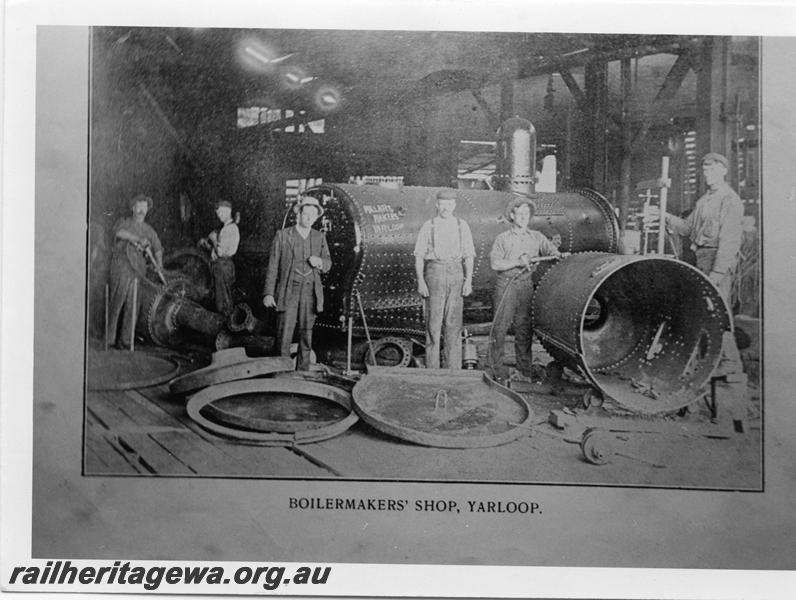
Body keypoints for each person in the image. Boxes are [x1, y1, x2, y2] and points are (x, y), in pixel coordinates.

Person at [488, 197, 560, 383]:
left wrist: (558, 255)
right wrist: (517, 262)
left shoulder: (536, 237)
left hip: (526, 286)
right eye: (519, 214)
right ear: (512, 216)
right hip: (506, 285)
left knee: (524, 329)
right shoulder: (502, 238)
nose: (523, 217)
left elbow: (552, 252)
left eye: (526, 214)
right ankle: (496, 370)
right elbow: (496, 263)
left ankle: (524, 370)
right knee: (500, 329)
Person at [661, 152, 744, 305]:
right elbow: (687, 228)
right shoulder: (704, 200)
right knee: (704, 308)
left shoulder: (729, 199)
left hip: (717, 262)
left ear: (724, 171)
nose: (707, 175)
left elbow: (729, 241)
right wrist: (665, 216)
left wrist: (718, 272)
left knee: (717, 309)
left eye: (712, 170)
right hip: (702, 260)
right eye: (705, 171)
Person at [262, 196, 331, 371]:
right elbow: (273, 265)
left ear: (316, 218)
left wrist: (320, 262)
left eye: (312, 215)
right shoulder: (283, 235)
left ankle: (303, 372)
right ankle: (280, 372)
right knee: (283, 335)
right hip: (288, 291)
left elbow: (328, 262)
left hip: (310, 293)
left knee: (306, 336)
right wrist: (268, 293)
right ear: (298, 215)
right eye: (305, 214)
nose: (309, 218)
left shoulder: (319, 237)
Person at [413, 189, 476, 370]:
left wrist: (468, 280)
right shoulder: (429, 225)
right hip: (434, 273)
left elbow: (469, 256)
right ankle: (432, 370)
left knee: (453, 325)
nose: (446, 207)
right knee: (433, 325)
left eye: (449, 204)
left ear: (454, 205)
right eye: (442, 204)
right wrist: (421, 281)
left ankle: (453, 370)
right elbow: (418, 256)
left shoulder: (461, 225)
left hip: (456, 273)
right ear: (437, 205)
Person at [107, 194, 163, 349]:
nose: (141, 210)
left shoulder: (149, 230)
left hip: (138, 271)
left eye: (144, 207)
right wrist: (137, 239)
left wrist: (159, 264)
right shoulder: (124, 222)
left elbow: (157, 247)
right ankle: (109, 340)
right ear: (133, 208)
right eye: (139, 206)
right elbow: (118, 233)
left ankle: (125, 341)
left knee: (133, 306)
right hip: (121, 267)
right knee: (116, 302)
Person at [200, 200, 239, 315]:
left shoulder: (230, 229)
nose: (219, 217)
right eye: (218, 215)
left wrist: (214, 239)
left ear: (228, 211)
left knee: (223, 303)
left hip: (223, 266)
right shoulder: (226, 228)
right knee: (220, 299)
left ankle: (225, 326)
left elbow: (221, 253)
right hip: (221, 266)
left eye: (221, 213)